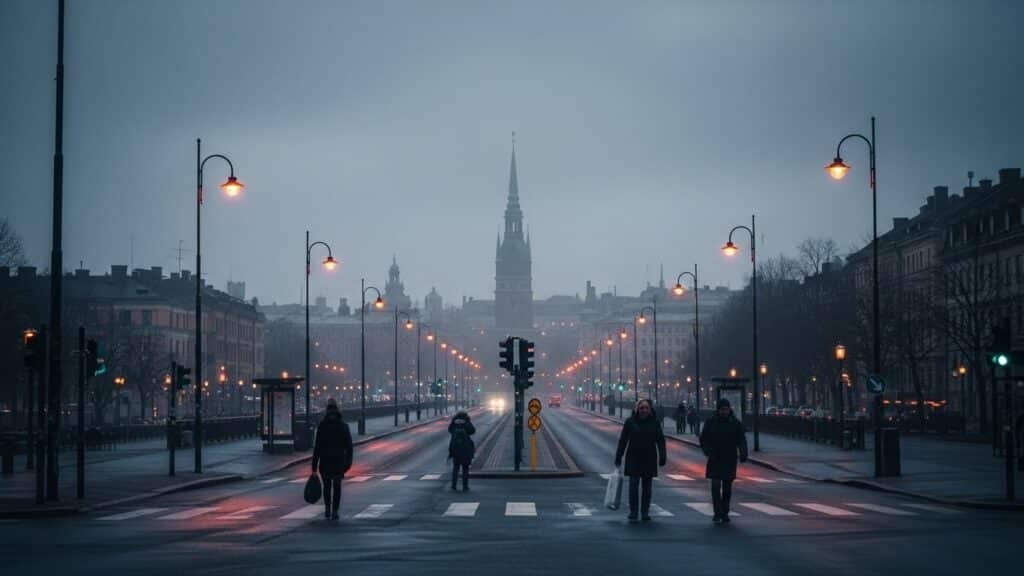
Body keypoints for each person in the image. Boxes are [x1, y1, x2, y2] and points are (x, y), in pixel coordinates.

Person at [614, 399, 667, 523]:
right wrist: (618, 456)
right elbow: (623, 440)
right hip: (633, 457)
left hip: (649, 457)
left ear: (650, 410)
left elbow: (660, 440)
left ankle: (645, 512)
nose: (644, 410)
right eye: (641, 408)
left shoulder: (655, 423)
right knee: (633, 486)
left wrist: (662, 456)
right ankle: (633, 511)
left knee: (647, 488)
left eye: (646, 408)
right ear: (637, 409)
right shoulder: (630, 422)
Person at [699, 398, 748, 523]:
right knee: (715, 487)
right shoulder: (711, 422)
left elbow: (741, 440)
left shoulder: (735, 423)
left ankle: (725, 512)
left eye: (726, 409)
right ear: (718, 410)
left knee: (727, 488)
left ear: (729, 409)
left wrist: (743, 453)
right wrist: (708, 451)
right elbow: (704, 439)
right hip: (715, 458)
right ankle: (717, 512)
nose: (724, 412)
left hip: (729, 458)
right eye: (722, 409)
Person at [312, 398, 353, 520]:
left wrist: (314, 466)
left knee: (327, 486)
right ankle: (335, 510)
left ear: (327, 410)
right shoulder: (343, 426)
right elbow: (349, 447)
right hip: (338, 461)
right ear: (337, 409)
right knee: (337, 486)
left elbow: (317, 447)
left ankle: (327, 509)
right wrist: (348, 463)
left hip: (325, 461)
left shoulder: (322, 426)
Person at [448, 410, 476, 491]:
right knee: (465, 468)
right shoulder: (466, 422)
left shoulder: (454, 423)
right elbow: (472, 431)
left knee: (456, 468)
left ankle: (453, 485)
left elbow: (450, 430)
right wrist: (467, 423)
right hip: (465, 449)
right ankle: (465, 485)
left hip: (455, 449)